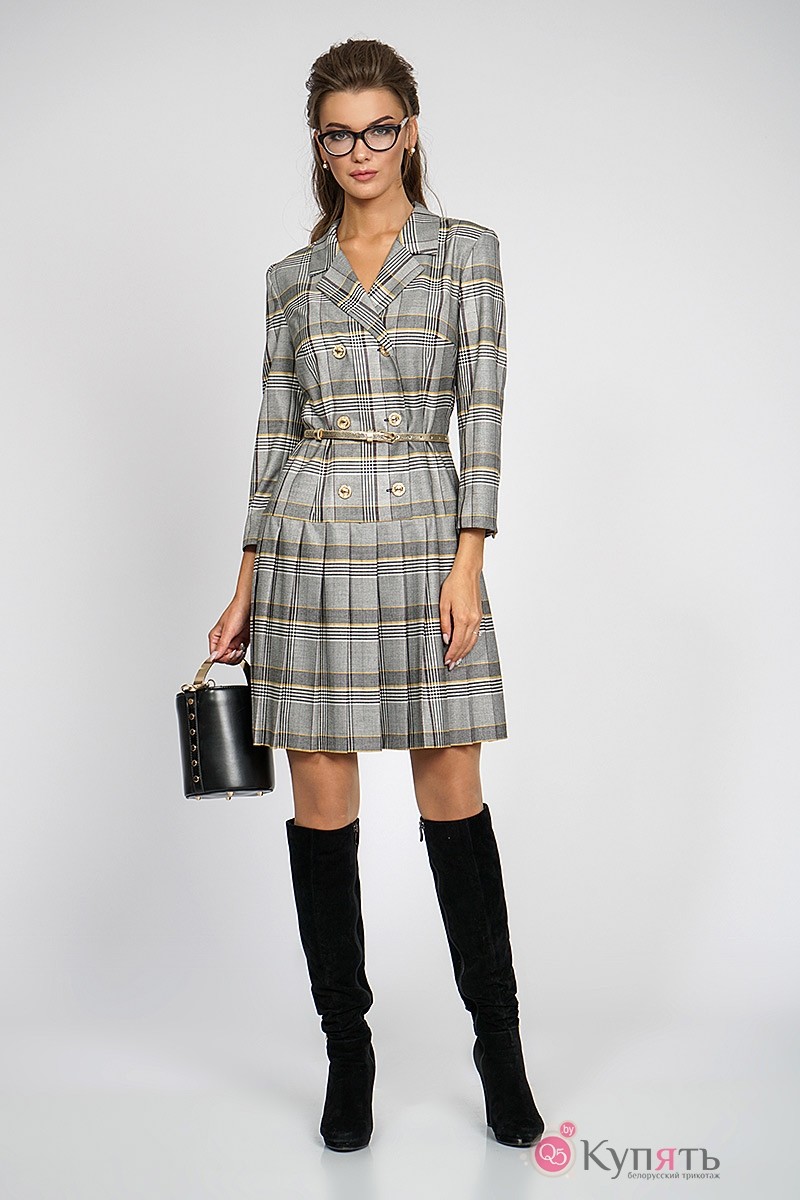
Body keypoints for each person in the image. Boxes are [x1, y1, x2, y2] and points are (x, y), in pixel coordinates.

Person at [208, 37, 545, 1153]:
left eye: (379, 128)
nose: (361, 150)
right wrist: (246, 583)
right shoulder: (290, 281)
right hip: (307, 548)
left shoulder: (464, 252)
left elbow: (482, 412)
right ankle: (346, 1054)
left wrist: (469, 560)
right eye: (339, 134)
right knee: (321, 810)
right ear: (319, 145)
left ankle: (498, 1046)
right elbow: (272, 435)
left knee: (452, 796)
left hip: (423, 537)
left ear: (410, 130)